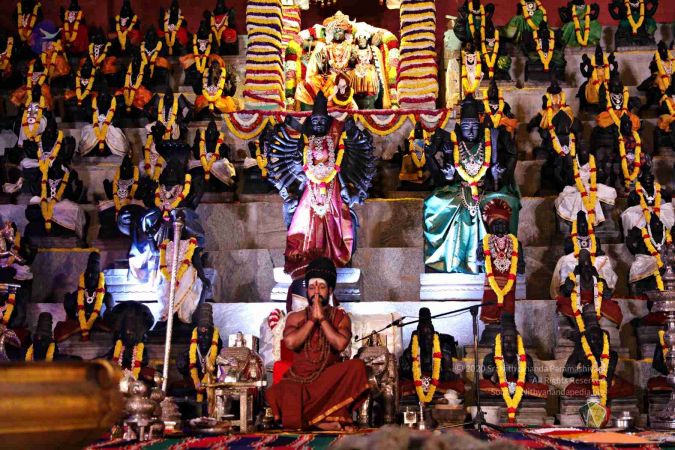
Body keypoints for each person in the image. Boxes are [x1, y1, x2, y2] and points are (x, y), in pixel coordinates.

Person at [265, 257, 369, 431]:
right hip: (298, 381)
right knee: (282, 392)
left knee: (357, 367)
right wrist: (312, 320)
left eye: (321, 287)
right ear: (307, 290)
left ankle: (313, 422)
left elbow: (340, 344)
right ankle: (322, 422)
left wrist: (322, 320)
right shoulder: (295, 317)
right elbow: (290, 343)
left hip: (328, 381)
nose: (316, 292)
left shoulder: (341, 317)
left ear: (330, 290)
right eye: (312, 287)